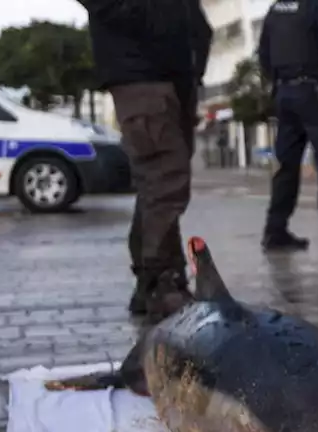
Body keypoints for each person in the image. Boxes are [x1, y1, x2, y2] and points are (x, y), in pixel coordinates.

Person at [77, 0, 212, 322]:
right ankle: (161, 284)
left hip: (174, 75)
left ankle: (155, 280)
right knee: (165, 179)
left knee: (161, 183)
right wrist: (153, 20)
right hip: (142, 74)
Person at [257, 0, 318, 254]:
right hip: (314, 94)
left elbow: (264, 55)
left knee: (286, 166)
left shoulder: (275, 10)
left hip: (284, 94)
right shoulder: (317, 8)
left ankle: (274, 230)